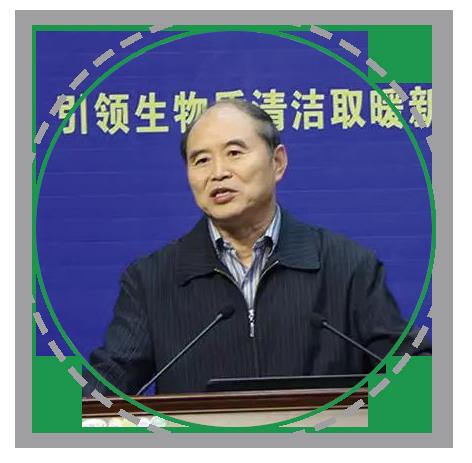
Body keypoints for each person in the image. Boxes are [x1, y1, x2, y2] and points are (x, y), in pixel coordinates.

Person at [83, 99, 431, 397]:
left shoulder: (347, 266)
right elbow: (103, 388)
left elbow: (413, 376)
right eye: (200, 160)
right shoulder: (152, 279)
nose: (218, 172)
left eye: (234, 153)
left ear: (277, 162)